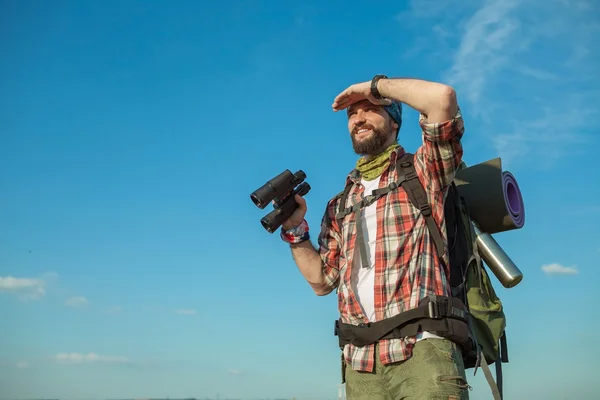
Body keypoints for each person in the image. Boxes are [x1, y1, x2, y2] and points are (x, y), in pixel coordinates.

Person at [279, 75, 470, 400]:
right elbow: (322, 280)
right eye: (352, 114)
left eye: (370, 109)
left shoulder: (423, 172)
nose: (359, 118)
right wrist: (296, 230)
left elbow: (442, 99)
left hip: (423, 351)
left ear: (395, 122)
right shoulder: (340, 204)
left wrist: (373, 87)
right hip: (360, 363)